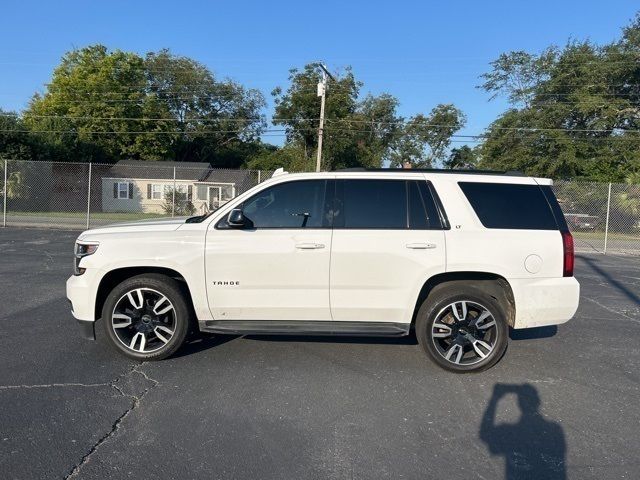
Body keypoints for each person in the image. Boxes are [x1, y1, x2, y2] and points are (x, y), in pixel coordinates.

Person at [480, 383, 566, 479]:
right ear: (538, 402)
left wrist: (494, 399)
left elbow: (485, 434)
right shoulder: (555, 429)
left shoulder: (510, 433)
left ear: (519, 404)